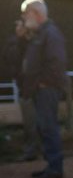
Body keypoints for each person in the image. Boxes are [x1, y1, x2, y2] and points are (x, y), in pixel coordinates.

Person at [13, 0, 67, 178]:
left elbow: (56, 62)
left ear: (36, 13)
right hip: (39, 89)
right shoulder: (38, 35)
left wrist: (43, 83)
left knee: (48, 127)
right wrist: (21, 38)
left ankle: (55, 169)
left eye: (26, 13)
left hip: (46, 89)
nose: (23, 18)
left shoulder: (50, 34)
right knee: (43, 128)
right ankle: (51, 166)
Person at [1, 20, 41, 161]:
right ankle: (32, 149)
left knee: (34, 119)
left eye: (20, 25)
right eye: (18, 25)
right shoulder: (16, 43)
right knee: (29, 120)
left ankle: (34, 150)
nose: (18, 28)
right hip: (24, 86)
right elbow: (9, 58)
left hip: (33, 86)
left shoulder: (32, 42)